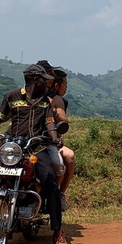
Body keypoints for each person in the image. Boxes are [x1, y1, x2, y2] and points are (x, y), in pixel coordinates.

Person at [0, 64, 68, 244]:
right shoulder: (12, 96)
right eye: (44, 79)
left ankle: (57, 231)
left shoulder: (45, 101)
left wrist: (55, 138)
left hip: (36, 148)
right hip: (12, 148)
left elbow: (50, 124)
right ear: (35, 80)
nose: (47, 82)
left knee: (51, 184)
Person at [49, 67, 76, 211]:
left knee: (69, 156)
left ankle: (61, 193)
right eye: (65, 84)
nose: (66, 87)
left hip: (52, 142)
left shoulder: (58, 100)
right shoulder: (33, 96)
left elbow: (63, 119)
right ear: (57, 85)